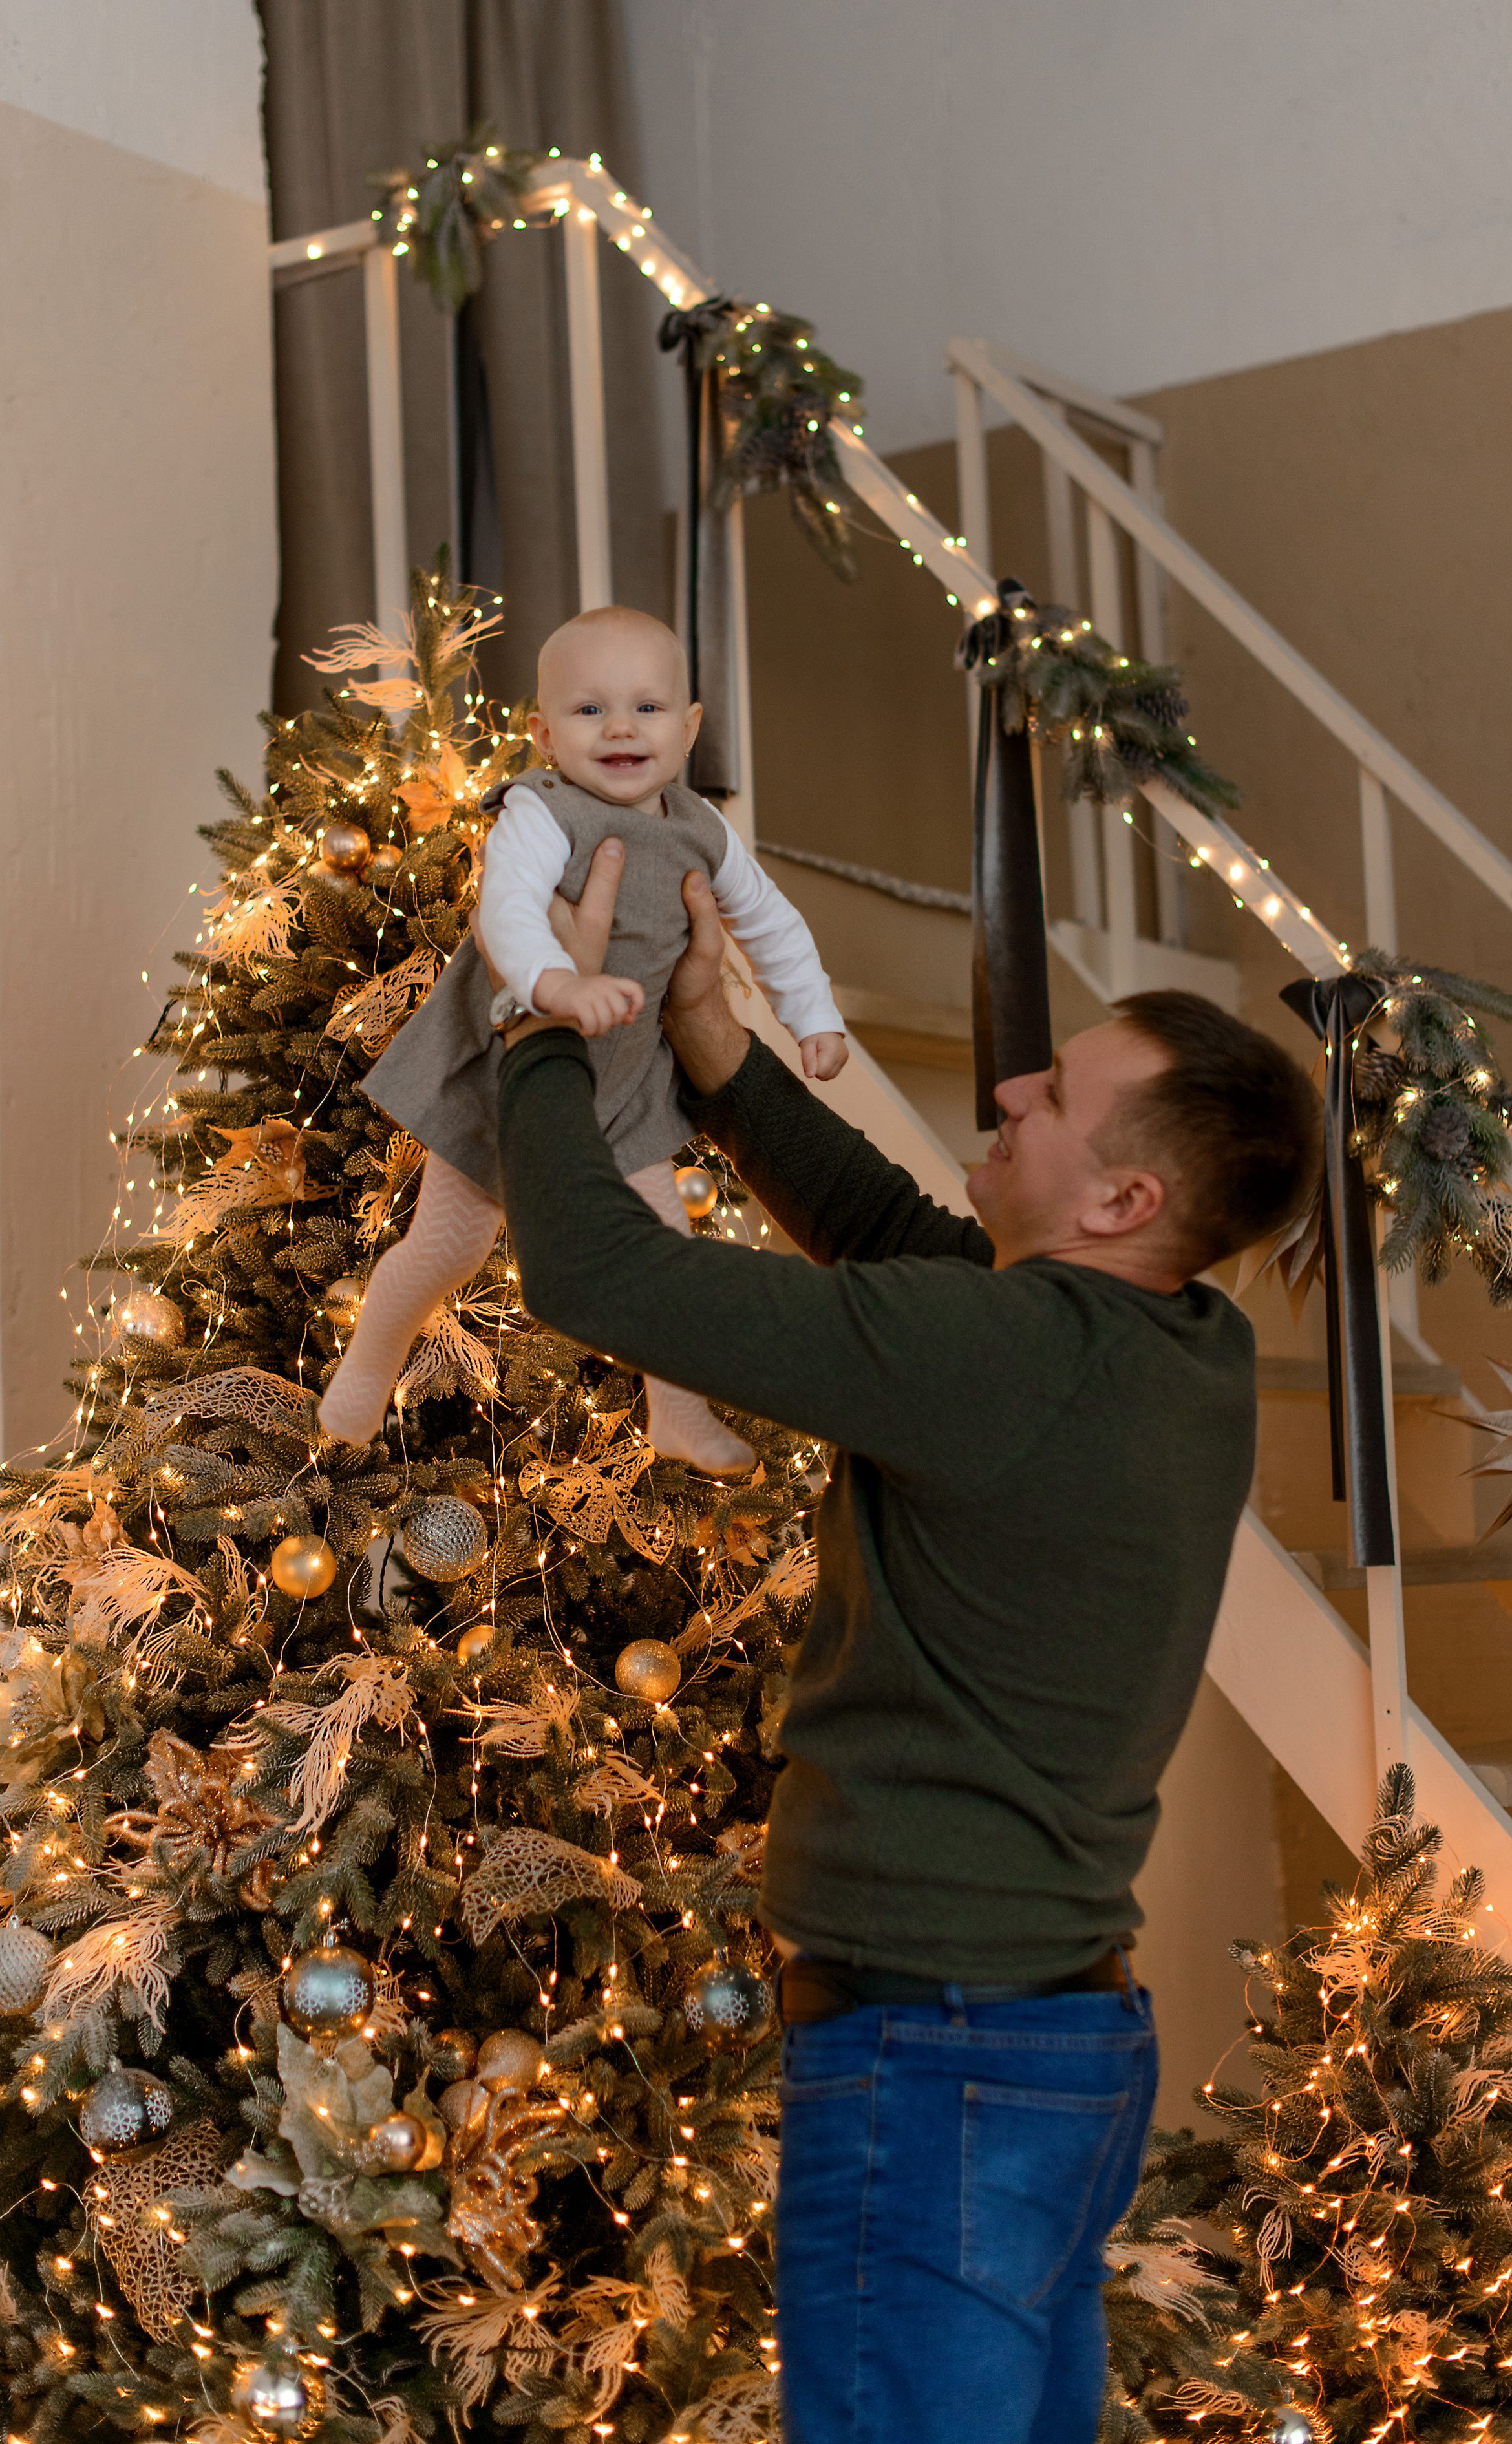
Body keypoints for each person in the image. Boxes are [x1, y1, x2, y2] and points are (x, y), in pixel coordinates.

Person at [488, 845, 1321, 2444]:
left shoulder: (999, 1356)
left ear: (1123, 1201)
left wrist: (536, 1020)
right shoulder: (1173, 1341)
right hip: (1050, 2043)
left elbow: (596, 1271)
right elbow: (888, 1233)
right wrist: (715, 1049)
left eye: (1051, 1097)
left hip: (938, 2057)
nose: (1008, 1089)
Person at [317, 604, 846, 1472]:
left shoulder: (703, 829)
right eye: (591, 709)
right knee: (449, 1248)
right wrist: (556, 983)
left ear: (690, 728)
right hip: (505, 1066)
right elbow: (507, 909)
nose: (622, 728)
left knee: (664, 1252)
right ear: (544, 734)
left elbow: (770, 922)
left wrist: (813, 1015)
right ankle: (369, 1368)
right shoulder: (542, 811)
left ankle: (677, 1413)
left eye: (648, 707)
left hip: (624, 1084)